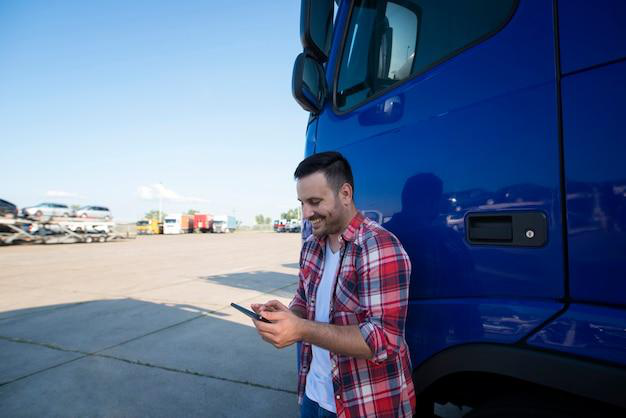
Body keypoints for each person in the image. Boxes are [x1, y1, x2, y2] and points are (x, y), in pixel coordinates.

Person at [251, 152, 415, 417]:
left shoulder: (379, 247)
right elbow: (304, 303)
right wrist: (286, 316)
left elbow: (383, 341)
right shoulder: (311, 247)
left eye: (314, 202)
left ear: (346, 194)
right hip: (313, 396)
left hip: (361, 404)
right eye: (302, 203)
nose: (306, 214)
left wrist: (301, 329)